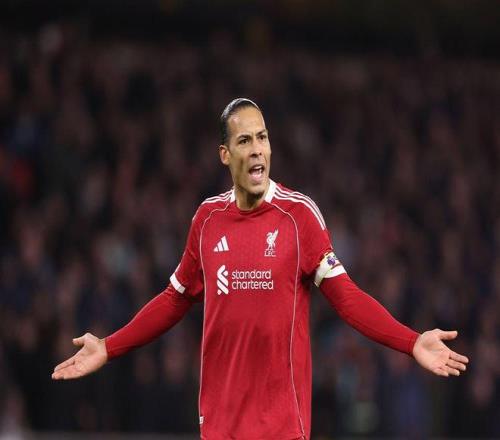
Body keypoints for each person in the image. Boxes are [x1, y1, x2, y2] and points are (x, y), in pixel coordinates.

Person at [52, 98, 469, 439]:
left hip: (281, 427)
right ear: (225, 154)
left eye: (263, 138)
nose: (257, 149)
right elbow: (174, 299)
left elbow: (346, 298)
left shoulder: (298, 216)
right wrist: (109, 347)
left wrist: (411, 341)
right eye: (245, 140)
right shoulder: (207, 219)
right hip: (220, 426)